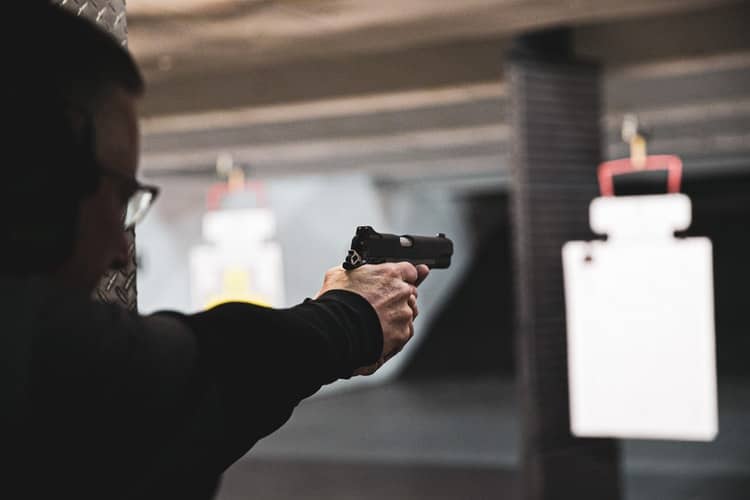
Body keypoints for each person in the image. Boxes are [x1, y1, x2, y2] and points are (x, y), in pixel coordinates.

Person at [1, 4, 429, 499]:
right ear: (37, 187)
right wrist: (352, 318)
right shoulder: (34, 353)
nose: (122, 250)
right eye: (117, 196)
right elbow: (216, 368)